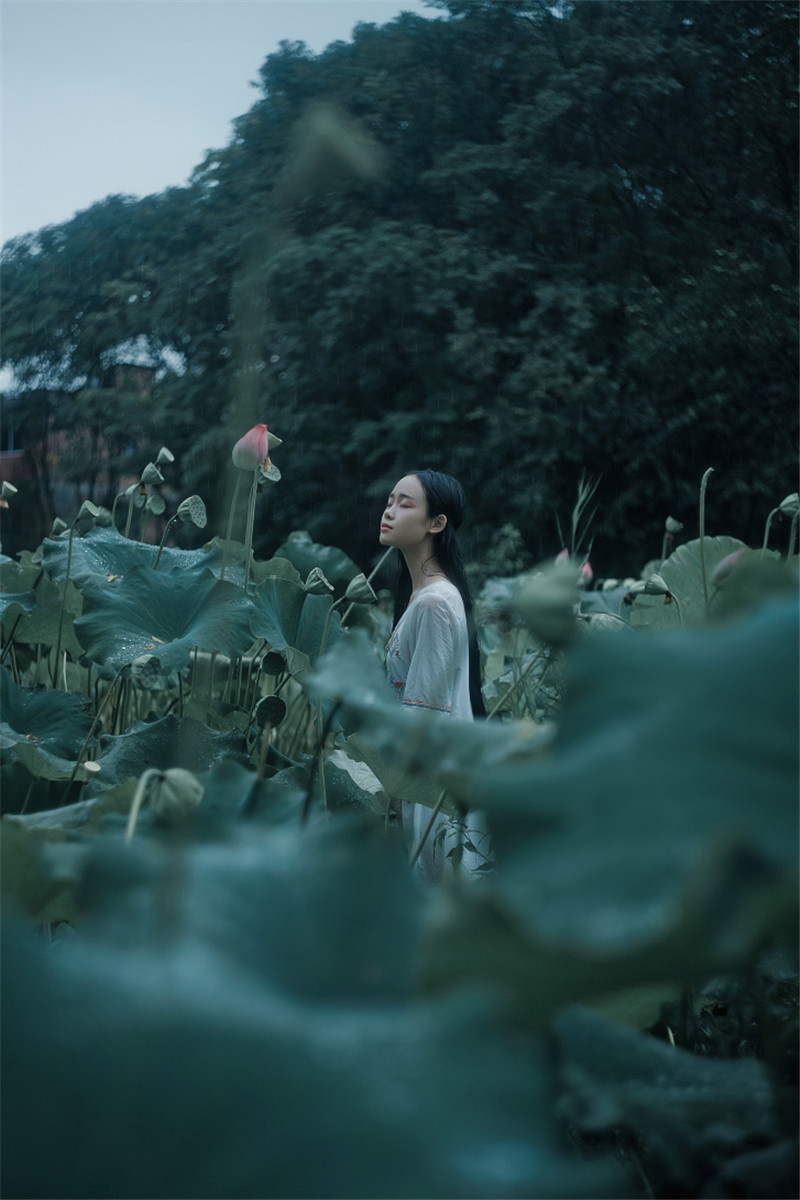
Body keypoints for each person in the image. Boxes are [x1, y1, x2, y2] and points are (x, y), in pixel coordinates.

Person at [379, 469, 491, 883]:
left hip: (431, 786)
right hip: (435, 780)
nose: (388, 511)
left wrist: (393, 788)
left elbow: (424, 714)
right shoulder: (427, 597)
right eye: (389, 500)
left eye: (404, 503)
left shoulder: (434, 604)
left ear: (437, 523)